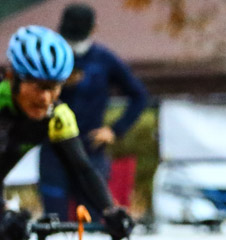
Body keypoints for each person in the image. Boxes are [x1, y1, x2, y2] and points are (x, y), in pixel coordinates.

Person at [1, 26, 131, 240]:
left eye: (53, 87)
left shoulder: (57, 115)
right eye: (38, 86)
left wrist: (110, 211)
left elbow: (82, 169)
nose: (45, 98)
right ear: (12, 77)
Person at [39, 3, 148, 221]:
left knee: (92, 218)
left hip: (90, 149)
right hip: (55, 149)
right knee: (53, 219)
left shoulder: (103, 60)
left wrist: (115, 130)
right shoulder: (51, 55)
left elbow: (139, 96)